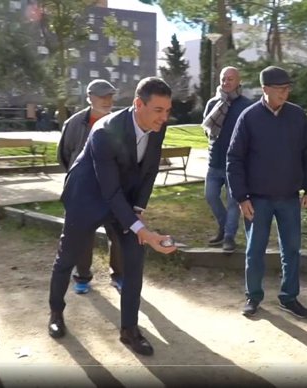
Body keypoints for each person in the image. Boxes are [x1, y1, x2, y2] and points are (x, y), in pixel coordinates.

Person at [47, 77, 177, 356]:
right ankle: (56, 314)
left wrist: (138, 212)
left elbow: (149, 170)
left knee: (134, 259)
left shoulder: (157, 127)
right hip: (87, 197)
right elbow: (109, 190)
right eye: (158, 110)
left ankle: (129, 330)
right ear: (138, 104)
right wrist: (142, 230)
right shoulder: (104, 131)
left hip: (122, 197)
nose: (164, 118)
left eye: (167, 111)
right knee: (67, 259)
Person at [227, 66, 307, 319]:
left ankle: (289, 297)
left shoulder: (297, 116)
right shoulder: (249, 117)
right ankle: (253, 296)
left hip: (289, 197)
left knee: (291, 249)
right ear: (265, 89)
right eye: (280, 89)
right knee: (255, 250)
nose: (285, 93)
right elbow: (234, 159)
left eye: (288, 88)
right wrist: (241, 196)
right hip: (257, 199)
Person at [57, 79, 123, 294]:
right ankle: (82, 277)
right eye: (103, 96)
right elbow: (65, 156)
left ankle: (119, 275)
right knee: (83, 237)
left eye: (110, 96)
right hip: (84, 192)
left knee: (119, 234)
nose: (108, 100)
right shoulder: (75, 123)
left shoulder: (120, 122)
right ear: (90, 97)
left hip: (113, 189)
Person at [201, 66, 252, 253]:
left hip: (236, 164)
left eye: (230, 79)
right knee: (211, 196)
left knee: (233, 202)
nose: (226, 82)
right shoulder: (212, 103)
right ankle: (223, 227)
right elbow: (206, 129)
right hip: (214, 161)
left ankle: (229, 237)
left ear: (238, 81)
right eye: (223, 79)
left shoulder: (246, 105)